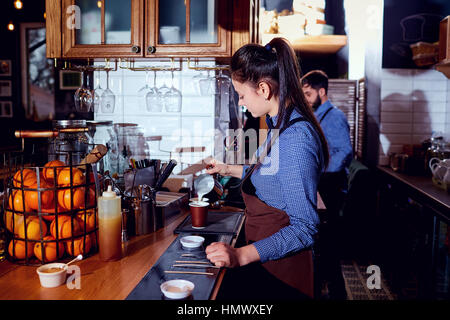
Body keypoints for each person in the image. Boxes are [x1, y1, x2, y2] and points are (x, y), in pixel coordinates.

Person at [204, 38, 329, 300]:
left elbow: (305, 228)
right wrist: (229, 168)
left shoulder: (295, 139)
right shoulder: (279, 123)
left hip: (285, 272)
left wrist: (239, 255)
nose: (240, 102)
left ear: (263, 89)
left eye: (241, 94)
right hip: (266, 260)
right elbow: (272, 173)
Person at [301, 70, 353, 300]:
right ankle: (322, 289)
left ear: (322, 92)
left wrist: (322, 171)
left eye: (308, 93)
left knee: (328, 245)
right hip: (323, 183)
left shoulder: (335, 116)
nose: (306, 98)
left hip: (331, 186)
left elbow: (345, 152)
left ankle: (337, 293)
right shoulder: (318, 115)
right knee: (322, 244)